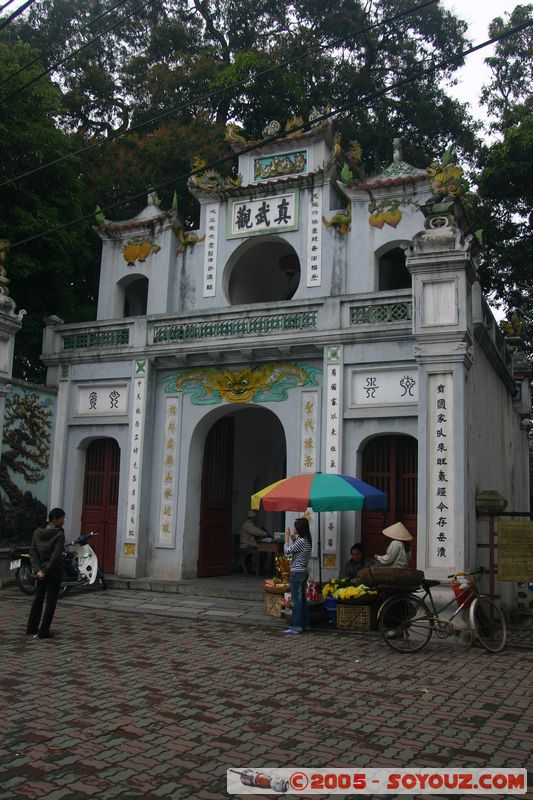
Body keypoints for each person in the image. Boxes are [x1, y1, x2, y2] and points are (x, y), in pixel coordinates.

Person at [26, 507, 66, 640]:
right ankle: (44, 631)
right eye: (62, 518)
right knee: (50, 601)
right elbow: (56, 556)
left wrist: (38, 570)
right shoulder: (59, 534)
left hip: (40, 572)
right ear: (55, 519)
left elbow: (33, 553)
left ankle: (31, 627)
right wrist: (46, 570)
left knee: (38, 599)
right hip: (53, 571)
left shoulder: (37, 532)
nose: (63, 521)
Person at [283, 517, 313, 635]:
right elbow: (299, 552)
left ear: (300, 528)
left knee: (296, 601)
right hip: (303, 571)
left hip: (297, 572)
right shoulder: (306, 539)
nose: (294, 528)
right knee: (303, 600)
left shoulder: (301, 541)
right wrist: (293, 539)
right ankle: (304, 625)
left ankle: (295, 627)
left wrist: (286, 538)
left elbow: (287, 552)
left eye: (295, 526)